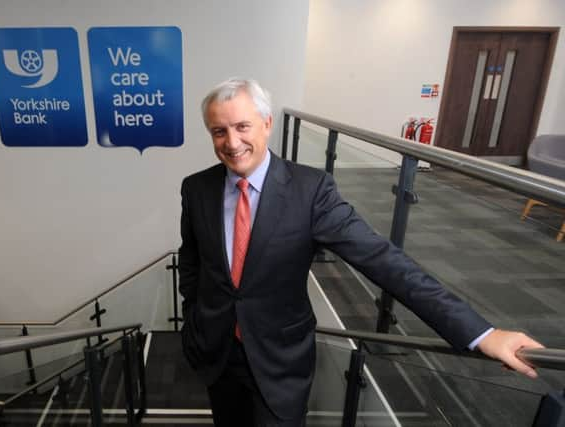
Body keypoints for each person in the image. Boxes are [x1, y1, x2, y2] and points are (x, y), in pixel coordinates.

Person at [178, 77, 543, 427]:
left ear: (267, 124)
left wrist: (481, 333)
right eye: (219, 131)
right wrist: (194, 318)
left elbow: (384, 261)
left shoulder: (311, 191)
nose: (232, 141)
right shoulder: (197, 189)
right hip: (218, 355)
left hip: (279, 362)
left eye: (243, 126)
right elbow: (193, 265)